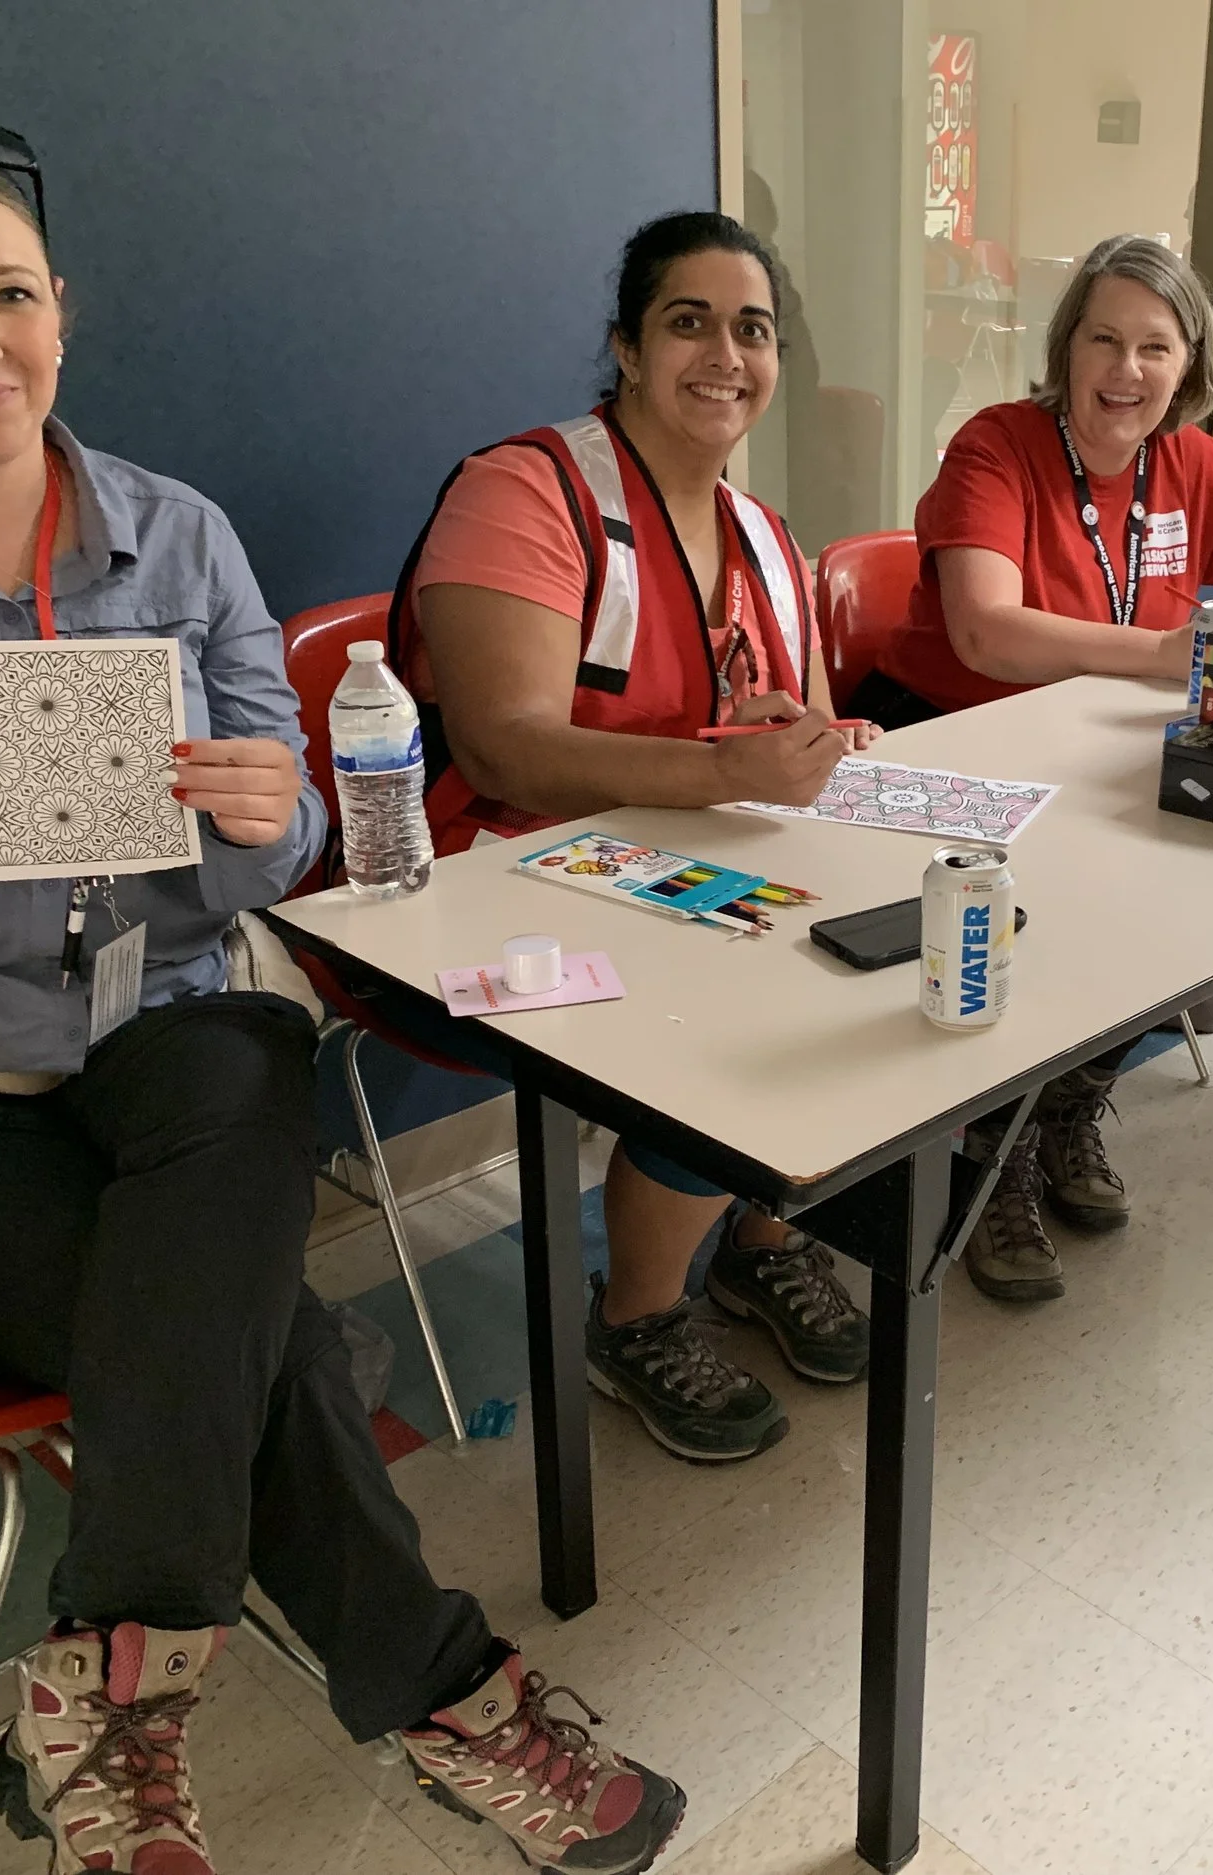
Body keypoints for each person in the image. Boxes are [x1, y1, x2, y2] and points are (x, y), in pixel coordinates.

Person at [0, 116, 683, 1873]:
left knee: (244, 1043)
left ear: (63, 311)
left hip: (142, 1056)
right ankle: (444, 1698)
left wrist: (272, 811)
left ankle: (104, 1673)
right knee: (269, 1341)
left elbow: (276, 858)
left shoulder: (175, 535)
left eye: (10, 293)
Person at [399, 210, 878, 1467]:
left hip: (682, 857)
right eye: (688, 322)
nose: (726, 354)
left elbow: (800, 731)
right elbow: (503, 747)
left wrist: (805, 740)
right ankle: (637, 1313)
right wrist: (732, 767)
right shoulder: (523, 490)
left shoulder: (769, 537)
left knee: (861, 940)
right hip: (493, 870)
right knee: (738, 987)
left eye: (753, 329)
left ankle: (763, 1243)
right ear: (623, 344)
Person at [849, 233, 1213, 1303]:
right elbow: (985, 634)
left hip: (1098, 743)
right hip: (953, 738)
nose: (1127, 372)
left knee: (1194, 880)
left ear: (1188, 365)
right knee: (1055, 897)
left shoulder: (1193, 463)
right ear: (1066, 349)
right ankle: (995, 1149)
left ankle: (1069, 1099)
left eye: (1154, 348)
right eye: (1104, 340)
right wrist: (1169, 654)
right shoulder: (996, 446)